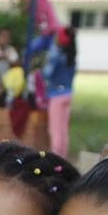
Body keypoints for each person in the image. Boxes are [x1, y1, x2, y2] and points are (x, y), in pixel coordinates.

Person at [42, 26, 77, 156]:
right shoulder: (72, 55)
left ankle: (56, 159)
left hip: (56, 95)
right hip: (68, 93)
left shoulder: (56, 54)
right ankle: (63, 158)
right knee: (63, 130)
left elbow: (47, 73)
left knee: (55, 130)